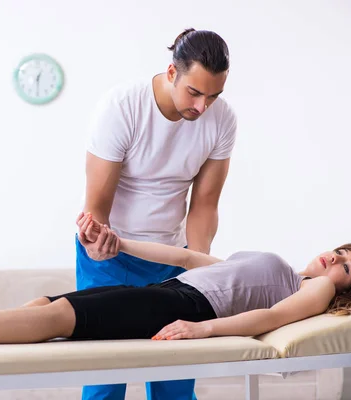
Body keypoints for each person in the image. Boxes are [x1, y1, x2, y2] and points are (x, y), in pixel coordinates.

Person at [0, 214, 351, 354]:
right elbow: (184, 254)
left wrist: (204, 331)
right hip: (178, 287)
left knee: (64, 317)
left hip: (187, 303)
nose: (335, 260)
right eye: (340, 251)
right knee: (51, 303)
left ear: (348, 289)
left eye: (347, 267)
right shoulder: (285, 274)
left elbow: (267, 320)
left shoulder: (317, 293)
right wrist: (121, 241)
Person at [78, 27, 237, 400]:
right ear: (171, 73)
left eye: (213, 96)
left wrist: (200, 266)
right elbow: (98, 204)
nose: (202, 107)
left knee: (176, 382)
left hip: (172, 255)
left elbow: (204, 206)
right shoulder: (122, 107)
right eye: (194, 93)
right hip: (111, 252)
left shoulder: (222, 119)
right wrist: (97, 243)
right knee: (105, 380)